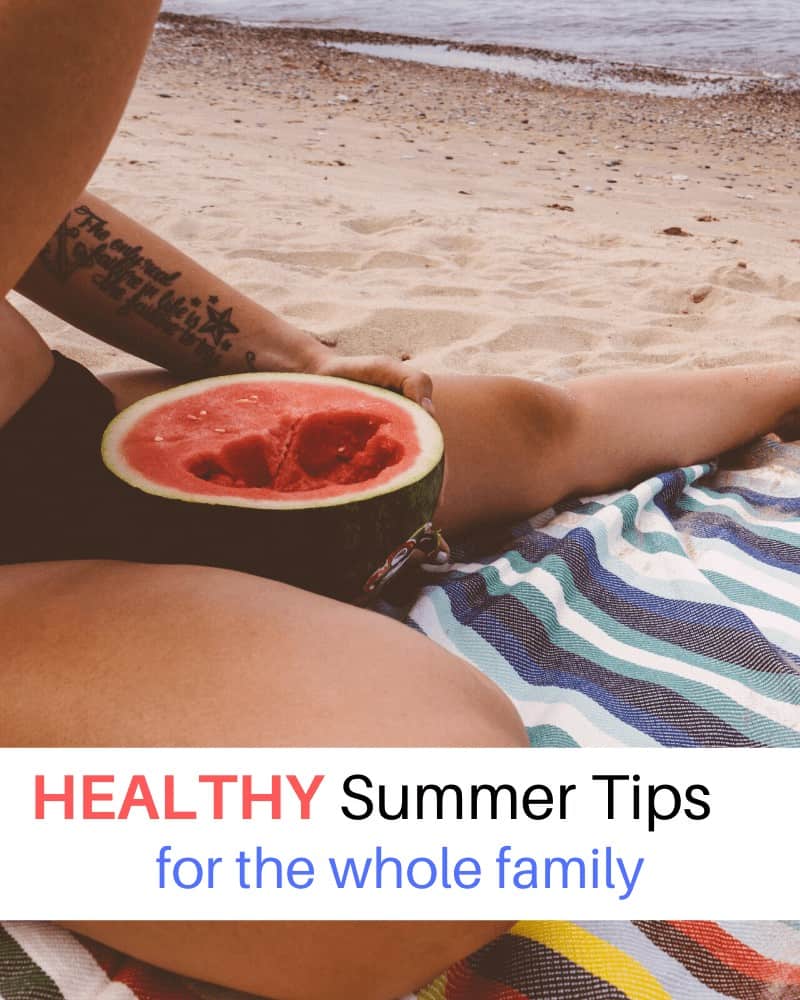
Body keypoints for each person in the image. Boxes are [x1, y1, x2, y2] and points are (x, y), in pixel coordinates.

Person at [3, 4, 800, 998]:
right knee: (430, 848)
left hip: (37, 419)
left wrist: (287, 358)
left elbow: (41, 212)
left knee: (535, 424)